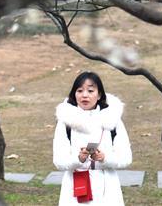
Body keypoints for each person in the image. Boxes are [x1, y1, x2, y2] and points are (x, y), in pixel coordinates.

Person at [53, 72, 132, 205]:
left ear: (99, 94)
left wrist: (104, 158)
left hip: (108, 189)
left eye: (90, 90)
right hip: (75, 187)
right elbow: (59, 160)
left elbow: (125, 158)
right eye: (80, 90)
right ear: (74, 94)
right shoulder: (66, 122)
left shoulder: (112, 120)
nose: (85, 95)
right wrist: (78, 159)